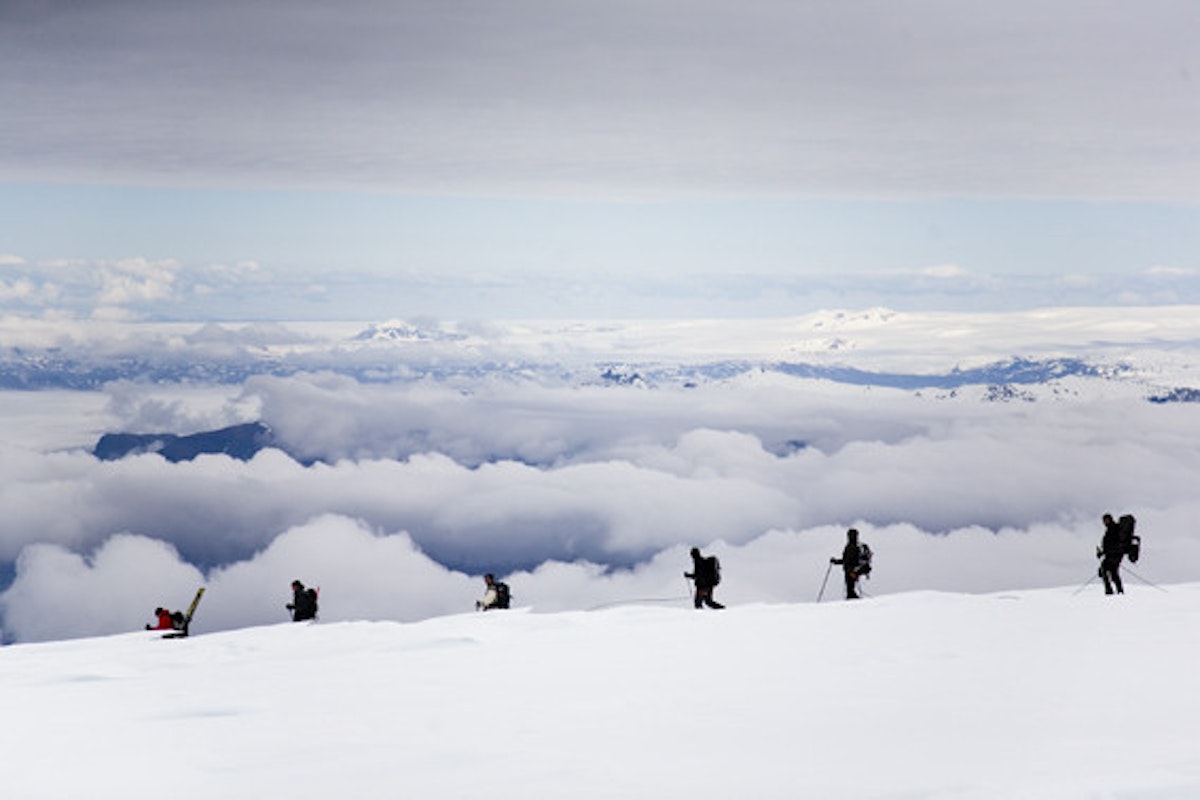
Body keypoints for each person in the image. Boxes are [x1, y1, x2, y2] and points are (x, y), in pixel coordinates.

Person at [830, 528, 870, 600]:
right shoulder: (854, 546)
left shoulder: (851, 547)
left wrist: (851, 571)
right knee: (850, 589)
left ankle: (853, 603)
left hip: (851, 571)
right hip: (852, 571)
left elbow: (848, 561)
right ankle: (853, 601)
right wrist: (836, 562)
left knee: (850, 589)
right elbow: (847, 561)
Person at [1097, 513, 1125, 595]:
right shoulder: (1112, 529)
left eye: (1106, 520)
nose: (1104, 522)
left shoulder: (1112, 529)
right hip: (1115, 555)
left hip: (1113, 555)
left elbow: (1111, 544)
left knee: (1104, 569)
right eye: (1104, 520)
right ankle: (1119, 591)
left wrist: (1103, 552)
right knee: (1113, 573)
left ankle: (1109, 591)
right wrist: (1102, 552)